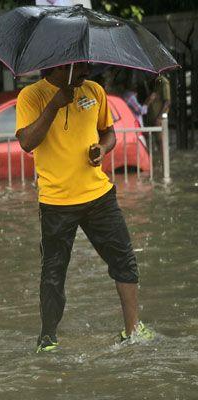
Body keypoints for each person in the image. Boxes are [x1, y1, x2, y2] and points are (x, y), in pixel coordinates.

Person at [15, 63, 154, 353]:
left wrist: (102, 149)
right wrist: (54, 104)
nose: (86, 71)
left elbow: (109, 134)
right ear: (58, 65)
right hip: (56, 201)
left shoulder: (95, 91)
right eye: (80, 65)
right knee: (53, 273)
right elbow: (27, 142)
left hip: (98, 195)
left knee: (124, 260)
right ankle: (48, 338)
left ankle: (133, 330)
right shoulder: (31, 96)